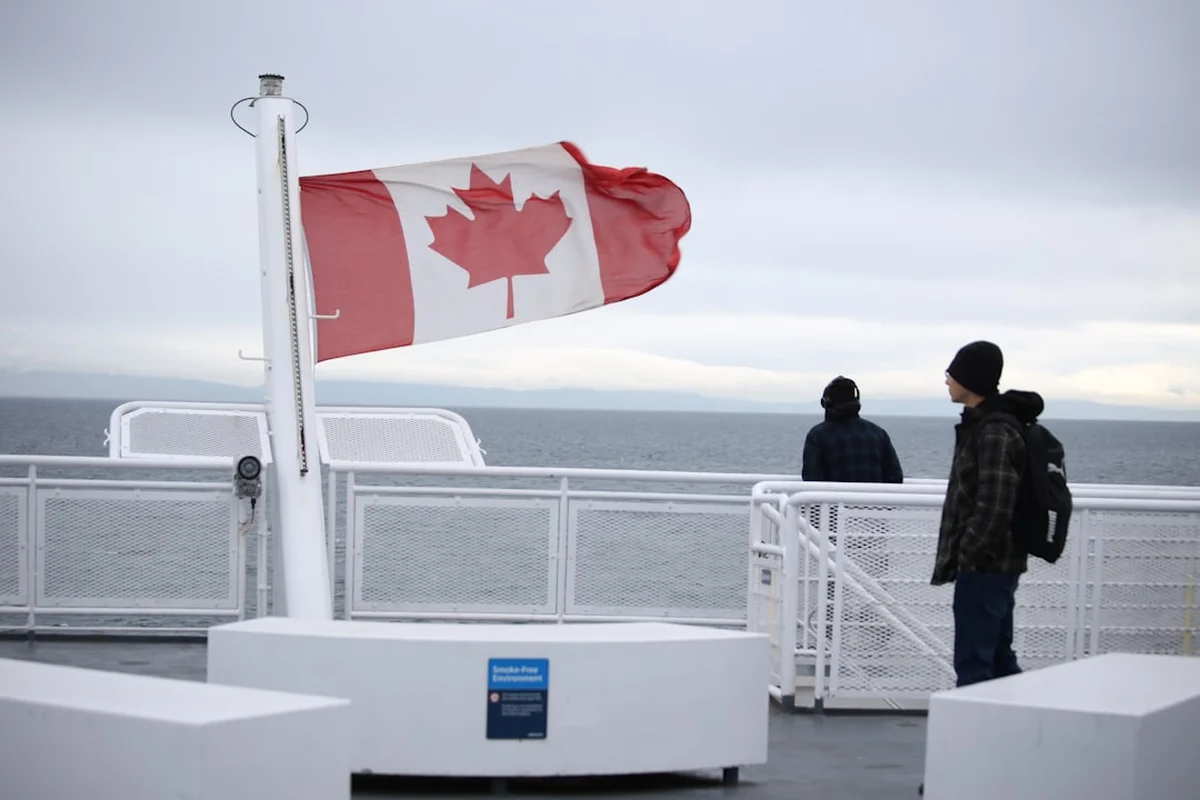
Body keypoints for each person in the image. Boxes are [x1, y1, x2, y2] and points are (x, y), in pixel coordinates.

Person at [933, 340, 1045, 688]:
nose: (947, 380)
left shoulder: (994, 431)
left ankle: (974, 737)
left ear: (971, 379)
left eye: (952, 373)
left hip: (986, 565)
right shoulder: (986, 425)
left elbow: (995, 503)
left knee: (974, 662)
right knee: (997, 657)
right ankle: (1021, 727)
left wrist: (969, 554)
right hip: (993, 564)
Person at [801, 376, 904, 484]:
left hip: (833, 500)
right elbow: (895, 478)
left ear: (825, 403)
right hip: (873, 501)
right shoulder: (878, 434)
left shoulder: (817, 436)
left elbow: (811, 479)